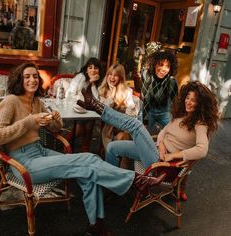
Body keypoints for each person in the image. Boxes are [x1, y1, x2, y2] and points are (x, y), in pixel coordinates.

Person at [0, 62, 166, 236]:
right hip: (23, 162)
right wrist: (29, 121)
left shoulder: (37, 101)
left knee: (89, 173)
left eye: (35, 76)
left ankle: (95, 225)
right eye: (27, 76)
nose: (33, 80)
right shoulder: (11, 101)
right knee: (89, 159)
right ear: (19, 80)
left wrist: (55, 119)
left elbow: (55, 128)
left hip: (40, 152)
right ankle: (136, 181)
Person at [77, 80, 220, 200]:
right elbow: (163, 131)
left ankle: (96, 106)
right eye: (188, 98)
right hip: (155, 150)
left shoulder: (200, 123)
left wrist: (173, 155)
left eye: (194, 100)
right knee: (113, 147)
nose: (188, 102)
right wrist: (162, 144)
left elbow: (202, 150)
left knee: (136, 125)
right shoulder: (182, 116)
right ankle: (110, 185)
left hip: (161, 165)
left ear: (201, 104)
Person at [65, 57, 104, 152]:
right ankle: (65, 144)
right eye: (90, 67)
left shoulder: (100, 81)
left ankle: (84, 149)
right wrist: (89, 82)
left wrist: (93, 83)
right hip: (76, 106)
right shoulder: (81, 77)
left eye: (96, 68)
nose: (93, 70)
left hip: (89, 110)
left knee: (89, 125)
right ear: (86, 69)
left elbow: (96, 99)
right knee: (80, 130)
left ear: (99, 70)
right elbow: (69, 94)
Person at [98, 63, 140, 151]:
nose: (112, 78)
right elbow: (104, 110)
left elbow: (131, 113)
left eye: (116, 75)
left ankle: (121, 160)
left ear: (121, 77)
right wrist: (112, 93)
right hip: (108, 126)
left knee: (122, 139)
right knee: (114, 144)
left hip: (123, 126)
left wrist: (129, 105)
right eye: (110, 74)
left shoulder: (127, 91)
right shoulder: (102, 90)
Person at [141, 48, 178, 134]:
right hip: (149, 110)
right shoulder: (147, 75)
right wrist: (145, 121)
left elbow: (173, 104)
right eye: (160, 64)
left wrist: (173, 123)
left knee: (172, 133)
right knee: (143, 133)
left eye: (167, 66)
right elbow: (146, 99)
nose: (164, 69)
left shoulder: (171, 81)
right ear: (154, 64)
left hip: (164, 111)